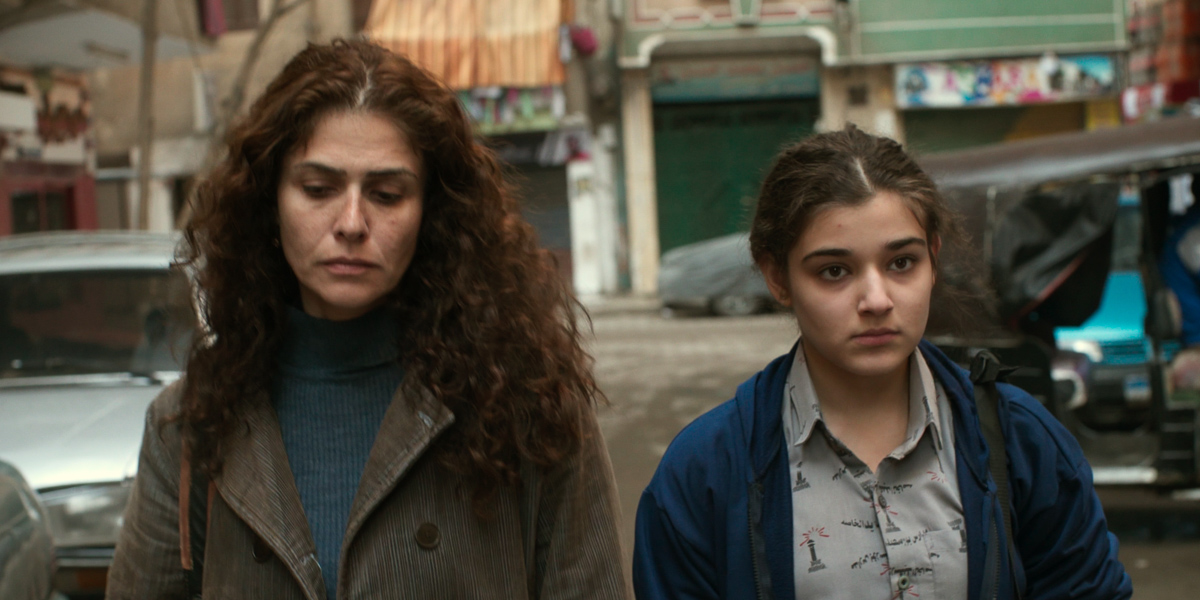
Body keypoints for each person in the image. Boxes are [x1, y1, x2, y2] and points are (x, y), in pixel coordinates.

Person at [107, 39, 629, 599]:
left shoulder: (529, 405)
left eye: (385, 194)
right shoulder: (193, 421)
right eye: (318, 189)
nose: (352, 223)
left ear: (431, 212)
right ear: (269, 202)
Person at [632, 126, 1132, 600]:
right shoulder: (705, 472)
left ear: (933, 259)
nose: (876, 300)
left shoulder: (1021, 442)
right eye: (834, 271)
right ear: (777, 278)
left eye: (901, 263)